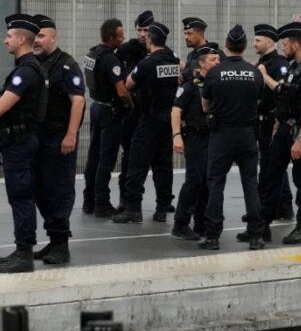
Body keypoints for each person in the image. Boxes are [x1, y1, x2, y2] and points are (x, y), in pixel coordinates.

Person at [0, 14, 47, 273]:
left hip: (20, 142)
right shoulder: (27, 68)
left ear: (21, 39)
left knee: (20, 196)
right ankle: (22, 249)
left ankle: (24, 253)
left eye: (9, 37)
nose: (5, 41)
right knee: (20, 196)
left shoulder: (26, 70)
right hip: (18, 140)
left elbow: (2, 107)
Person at [252, 22, 301, 245]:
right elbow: (284, 95)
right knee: (271, 176)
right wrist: (277, 127)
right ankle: (263, 224)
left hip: (298, 133)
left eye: (284, 44)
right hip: (284, 129)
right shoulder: (294, 68)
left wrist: (300, 139)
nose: (282, 48)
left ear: (295, 44)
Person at [199, 26, 265, 250]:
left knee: (216, 183)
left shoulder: (215, 73)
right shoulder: (255, 72)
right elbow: (259, 100)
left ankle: (212, 236)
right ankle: (256, 236)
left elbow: (205, 106)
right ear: (245, 46)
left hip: (222, 134)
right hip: (247, 134)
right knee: (250, 184)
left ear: (226, 46)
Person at [31, 15, 85, 265]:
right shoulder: (33, 64)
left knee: (59, 190)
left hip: (59, 137)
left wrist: (71, 134)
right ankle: (53, 239)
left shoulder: (67, 65)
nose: (36, 41)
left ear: (54, 37)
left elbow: (78, 100)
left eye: (41, 36)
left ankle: (61, 244)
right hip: (39, 139)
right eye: (34, 36)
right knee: (40, 190)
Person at [113, 21, 180, 223]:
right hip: (168, 119)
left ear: (150, 39)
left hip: (149, 117)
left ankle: (133, 209)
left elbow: (129, 84)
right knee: (163, 165)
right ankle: (161, 208)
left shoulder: (147, 63)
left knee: (137, 161)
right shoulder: (174, 61)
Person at [82, 19, 134, 218]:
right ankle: (102, 202)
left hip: (96, 107)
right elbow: (121, 91)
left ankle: (89, 200)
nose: (124, 38)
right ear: (111, 38)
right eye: (121, 36)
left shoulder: (92, 53)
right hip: (110, 112)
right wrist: (130, 104)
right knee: (107, 158)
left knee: (93, 156)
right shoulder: (110, 59)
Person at [171, 45, 220, 241]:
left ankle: (201, 223)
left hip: (213, 137)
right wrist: (177, 136)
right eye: (213, 60)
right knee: (194, 180)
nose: (217, 63)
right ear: (201, 64)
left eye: (218, 60)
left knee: (209, 181)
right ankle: (180, 223)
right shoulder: (190, 85)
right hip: (195, 137)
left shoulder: (217, 83)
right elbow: (176, 110)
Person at [113, 10, 154, 210]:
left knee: (156, 157)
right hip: (131, 110)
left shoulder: (159, 51)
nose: (142, 34)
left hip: (151, 110)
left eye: (146, 30)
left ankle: (162, 203)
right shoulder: (126, 50)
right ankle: (126, 198)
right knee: (129, 154)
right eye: (139, 30)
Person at [253, 23, 293, 221]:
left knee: (274, 166)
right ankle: (268, 206)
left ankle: (283, 207)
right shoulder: (262, 61)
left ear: (269, 42)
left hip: (273, 120)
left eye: (258, 40)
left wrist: (263, 75)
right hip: (261, 120)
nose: (254, 43)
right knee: (268, 165)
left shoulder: (279, 64)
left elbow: (281, 91)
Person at [180, 16, 211, 83]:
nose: (186, 37)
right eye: (185, 34)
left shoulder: (212, 53)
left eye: (189, 33)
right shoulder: (191, 55)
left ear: (200, 34)